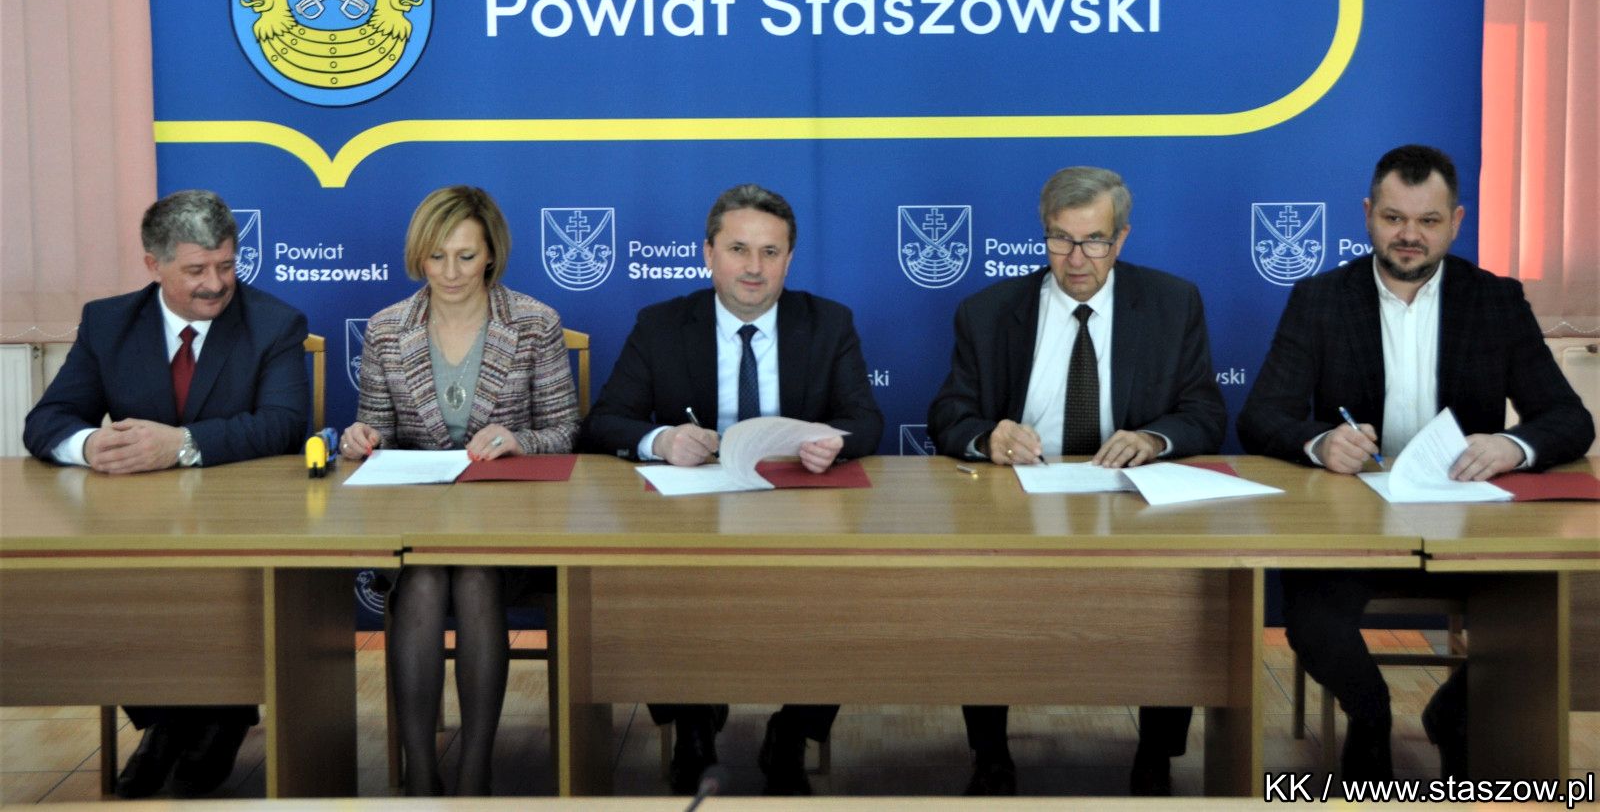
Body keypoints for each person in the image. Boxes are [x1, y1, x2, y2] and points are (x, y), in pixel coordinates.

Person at [1238, 144, 1593, 782]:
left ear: (1455, 223)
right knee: (1312, 619)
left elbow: (1570, 420)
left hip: (1469, 528)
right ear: (1367, 215)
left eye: (1428, 221)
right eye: (1394, 218)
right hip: (1352, 527)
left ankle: (1452, 713)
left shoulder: (1495, 300)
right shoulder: (1319, 298)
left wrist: (1511, 446)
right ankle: (1370, 715)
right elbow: (1262, 415)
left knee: (1556, 604)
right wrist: (1320, 443)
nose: (1409, 235)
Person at [926, 166, 1227, 797]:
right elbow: (949, 414)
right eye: (1060, 239)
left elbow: (1205, 412)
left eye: (1094, 240)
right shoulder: (988, 312)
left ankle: (1156, 754)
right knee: (979, 586)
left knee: (1179, 586)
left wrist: (1152, 440)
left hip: (1132, 503)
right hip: (1020, 506)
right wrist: (989, 437)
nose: (1076, 258)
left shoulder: (1172, 303)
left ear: (1122, 238)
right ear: (1043, 234)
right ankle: (990, 755)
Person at [581, 183, 883, 796]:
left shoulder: (829, 323)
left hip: (798, 514)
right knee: (659, 576)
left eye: (770, 252)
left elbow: (866, 420)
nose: (753, 267)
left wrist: (834, 441)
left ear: (789, 260)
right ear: (708, 254)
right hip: (692, 516)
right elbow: (604, 421)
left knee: (847, 585)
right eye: (738, 249)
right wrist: (663, 439)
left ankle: (792, 731)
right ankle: (693, 728)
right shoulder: (662, 325)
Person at [23, 189, 309, 799]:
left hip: (242, 522)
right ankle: (168, 720)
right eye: (197, 270)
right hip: (138, 525)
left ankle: (216, 715)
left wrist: (182, 444)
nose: (216, 284)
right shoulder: (109, 323)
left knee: (213, 576)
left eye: (226, 265)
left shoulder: (274, 323)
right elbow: (47, 421)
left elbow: (286, 425)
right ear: (154, 264)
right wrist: (88, 446)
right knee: (114, 578)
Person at [342, 186, 579, 796]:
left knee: (475, 575)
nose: (450, 272)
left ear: (491, 254)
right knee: (423, 579)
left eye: (466, 257)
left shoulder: (534, 322)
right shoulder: (387, 329)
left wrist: (520, 440)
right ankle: (421, 774)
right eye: (437, 256)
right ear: (418, 255)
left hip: (509, 531)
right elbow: (377, 433)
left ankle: (475, 769)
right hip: (417, 530)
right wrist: (362, 437)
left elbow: (566, 432)